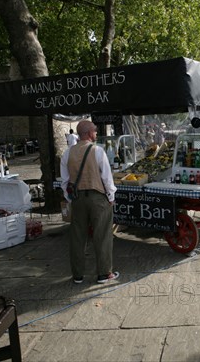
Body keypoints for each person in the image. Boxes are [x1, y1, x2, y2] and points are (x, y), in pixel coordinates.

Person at [60, 121, 118, 284]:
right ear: (88, 133)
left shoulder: (68, 153)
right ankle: (104, 273)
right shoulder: (97, 151)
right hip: (97, 197)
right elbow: (107, 178)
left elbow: (65, 181)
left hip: (77, 198)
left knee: (78, 237)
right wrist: (111, 197)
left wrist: (69, 198)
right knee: (103, 235)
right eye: (95, 130)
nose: (96, 133)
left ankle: (77, 275)